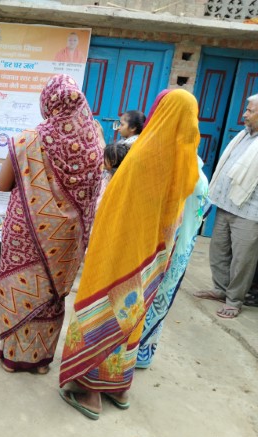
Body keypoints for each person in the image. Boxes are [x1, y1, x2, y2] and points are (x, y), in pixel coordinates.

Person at [58, 89, 201, 419]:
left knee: (106, 310)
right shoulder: (184, 161)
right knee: (132, 314)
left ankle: (90, 392)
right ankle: (119, 387)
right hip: (153, 257)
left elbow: (114, 208)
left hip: (120, 253)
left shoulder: (142, 156)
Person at [0, 74, 103, 374]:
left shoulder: (28, 140)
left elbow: (2, 185)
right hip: (66, 239)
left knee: (21, 288)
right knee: (52, 295)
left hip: (26, 233)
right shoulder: (95, 143)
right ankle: (41, 360)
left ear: (48, 103)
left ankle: (12, 356)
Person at [137, 155, 209, 368]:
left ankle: (136, 352)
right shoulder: (198, 173)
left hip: (167, 248)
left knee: (148, 295)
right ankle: (143, 353)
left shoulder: (182, 173)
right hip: (179, 249)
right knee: (158, 296)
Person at [194, 93, 258, 319]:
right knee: (218, 250)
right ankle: (221, 290)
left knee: (242, 260)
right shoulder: (243, 135)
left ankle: (234, 300)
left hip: (250, 212)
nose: (244, 114)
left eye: (250, 110)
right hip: (226, 204)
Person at [95, 142, 128, 211]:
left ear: (112, 161)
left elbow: (102, 198)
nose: (102, 159)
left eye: (104, 157)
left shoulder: (111, 176)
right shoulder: (122, 173)